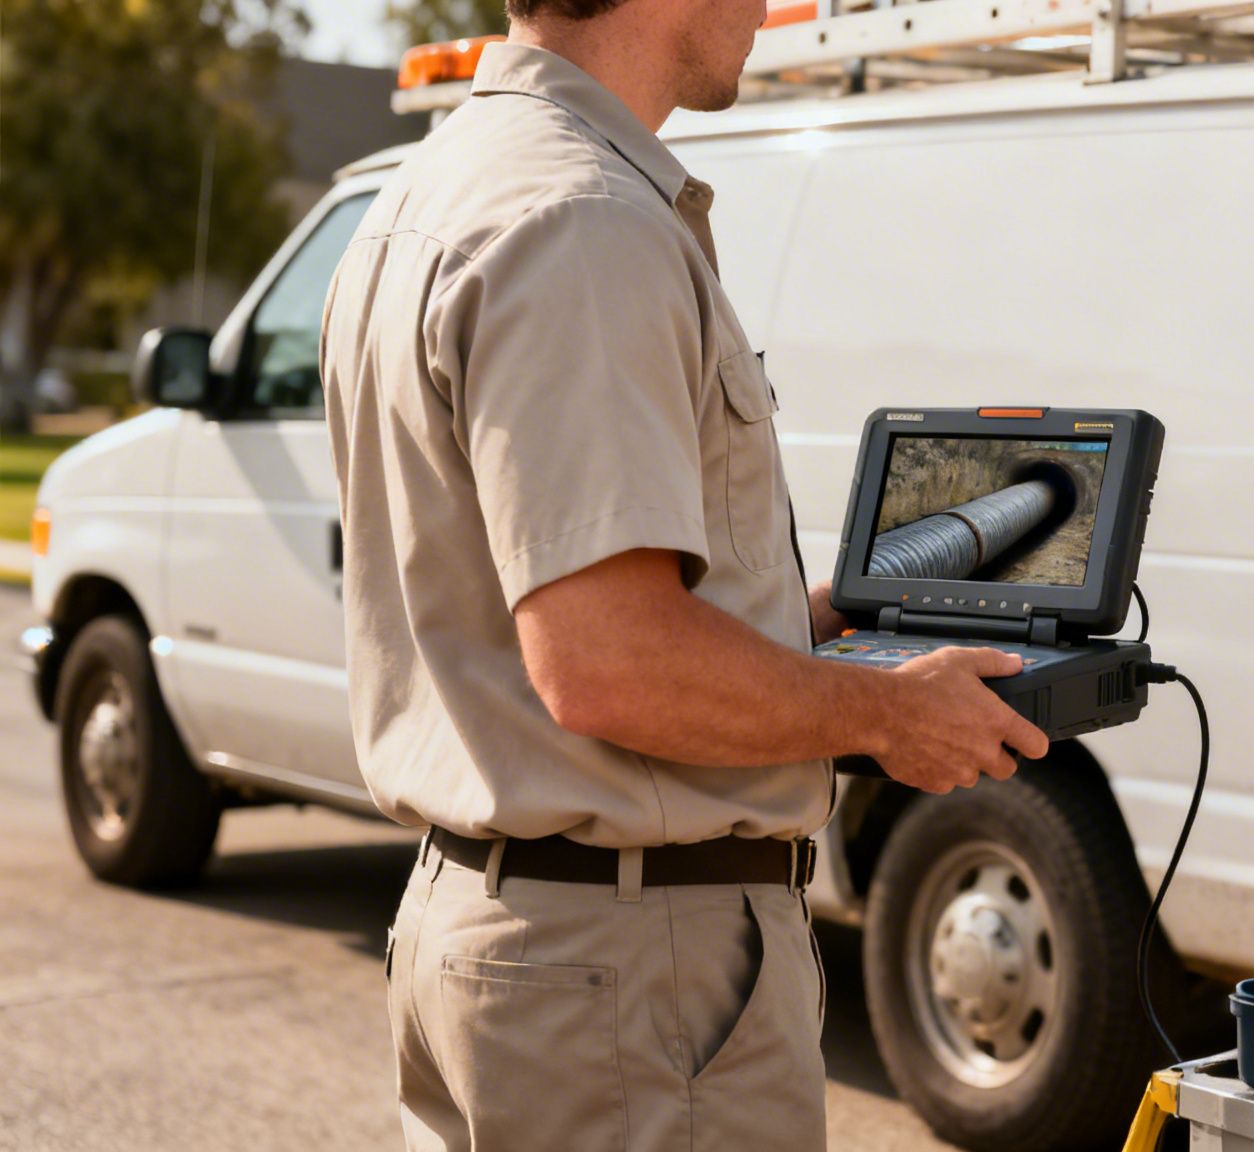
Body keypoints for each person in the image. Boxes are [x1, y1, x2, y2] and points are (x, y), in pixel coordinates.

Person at [319, 1, 1051, 1147]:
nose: (766, 8)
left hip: (502, 934)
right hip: (624, 965)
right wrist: (886, 712)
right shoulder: (584, 221)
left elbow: (538, 609)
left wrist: (801, 622)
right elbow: (608, 667)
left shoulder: (429, 192)